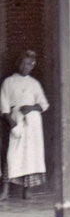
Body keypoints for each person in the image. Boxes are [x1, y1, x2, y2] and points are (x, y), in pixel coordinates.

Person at [0, 50, 49, 199]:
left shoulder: (34, 83)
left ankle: (27, 191)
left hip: (33, 125)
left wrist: (32, 107)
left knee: (30, 156)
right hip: (17, 122)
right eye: (23, 62)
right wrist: (13, 124)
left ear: (33, 65)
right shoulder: (9, 82)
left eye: (29, 63)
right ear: (18, 63)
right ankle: (5, 191)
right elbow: (4, 107)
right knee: (12, 156)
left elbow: (44, 104)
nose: (25, 66)